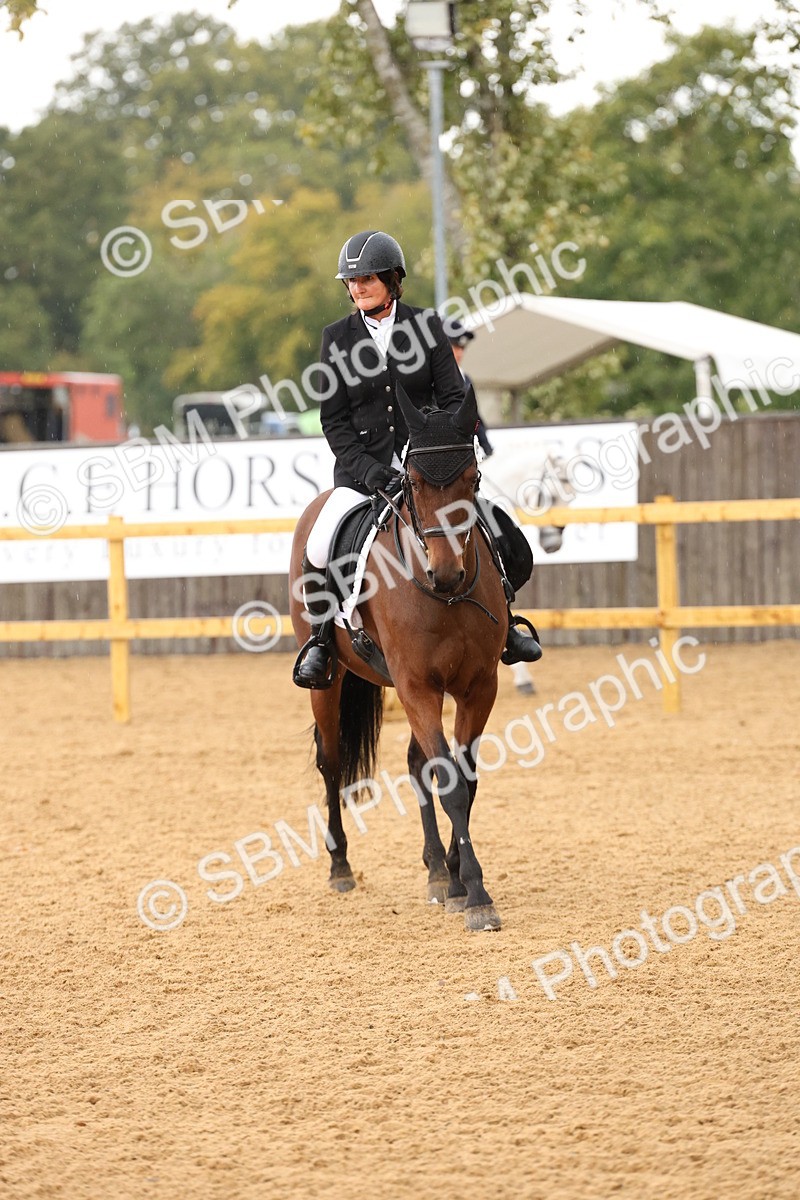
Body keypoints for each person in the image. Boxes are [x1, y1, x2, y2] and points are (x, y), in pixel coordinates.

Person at [293, 229, 542, 689]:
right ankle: (322, 642)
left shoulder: (426, 327)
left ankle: (506, 624)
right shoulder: (336, 339)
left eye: (367, 278)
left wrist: (435, 451)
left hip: (428, 469)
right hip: (361, 472)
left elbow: (452, 396)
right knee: (319, 542)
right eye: (351, 280)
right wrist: (369, 471)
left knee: (496, 530)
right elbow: (334, 421)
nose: (358, 287)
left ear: (392, 279)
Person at [445, 319, 493, 458]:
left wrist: (487, 447)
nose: (459, 353)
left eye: (462, 348)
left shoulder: (465, 379)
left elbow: (475, 419)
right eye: (454, 346)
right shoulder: (432, 379)